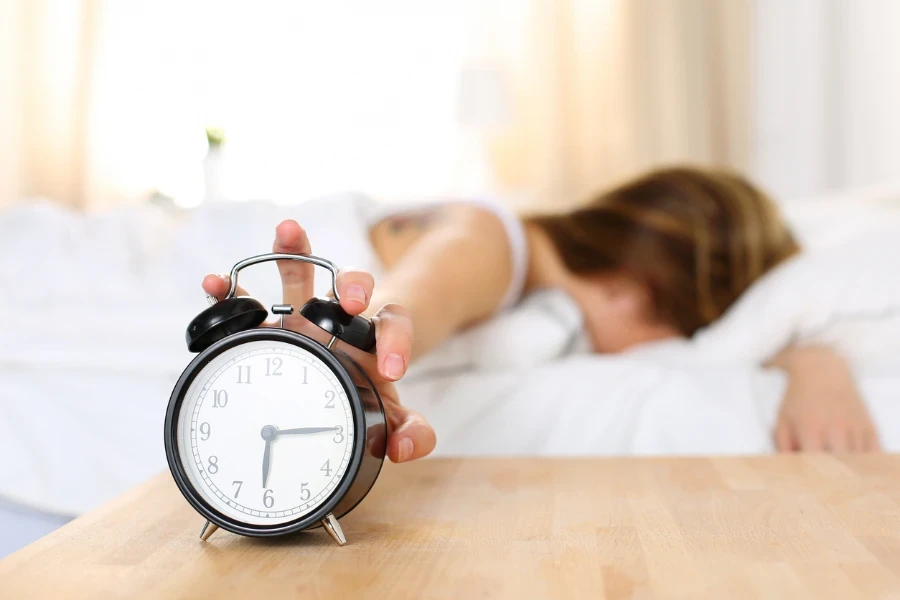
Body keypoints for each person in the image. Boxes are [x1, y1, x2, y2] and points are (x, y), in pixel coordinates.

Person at [202, 166, 880, 461]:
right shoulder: (497, 239)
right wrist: (359, 338)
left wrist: (810, 358)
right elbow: (419, 295)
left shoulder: (524, 276)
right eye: (688, 329)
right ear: (638, 288)